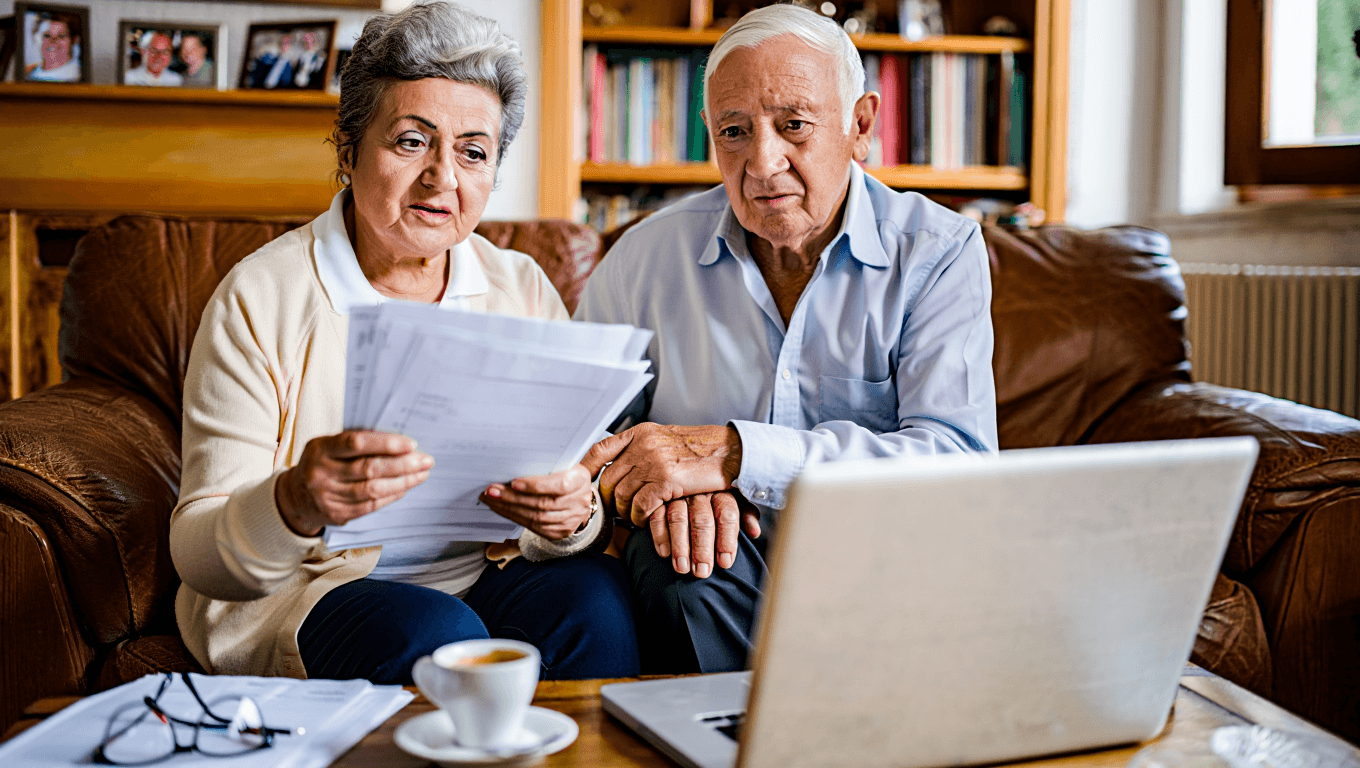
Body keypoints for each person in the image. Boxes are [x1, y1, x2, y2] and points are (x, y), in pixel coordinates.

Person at [171, 0, 639, 684]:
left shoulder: (521, 286)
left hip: (485, 576)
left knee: (595, 602)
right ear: (349, 150)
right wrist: (294, 500)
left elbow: (574, 498)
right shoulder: (261, 296)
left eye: (473, 153)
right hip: (307, 596)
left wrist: (573, 515)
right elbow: (197, 551)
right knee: (432, 632)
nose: (443, 178)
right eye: (412, 141)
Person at [574, 3, 998, 674]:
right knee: (675, 558)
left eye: (794, 125)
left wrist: (735, 455)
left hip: (885, 570)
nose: (762, 161)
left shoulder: (938, 253)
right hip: (714, 569)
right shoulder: (643, 258)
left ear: (860, 125)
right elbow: (583, 442)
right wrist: (673, 488)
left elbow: (958, 461)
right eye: (734, 132)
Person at [25, 14, 80, 82]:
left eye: (61, 36)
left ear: (74, 40)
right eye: (47, 35)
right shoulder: (30, 71)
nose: (52, 41)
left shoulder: (76, 77)